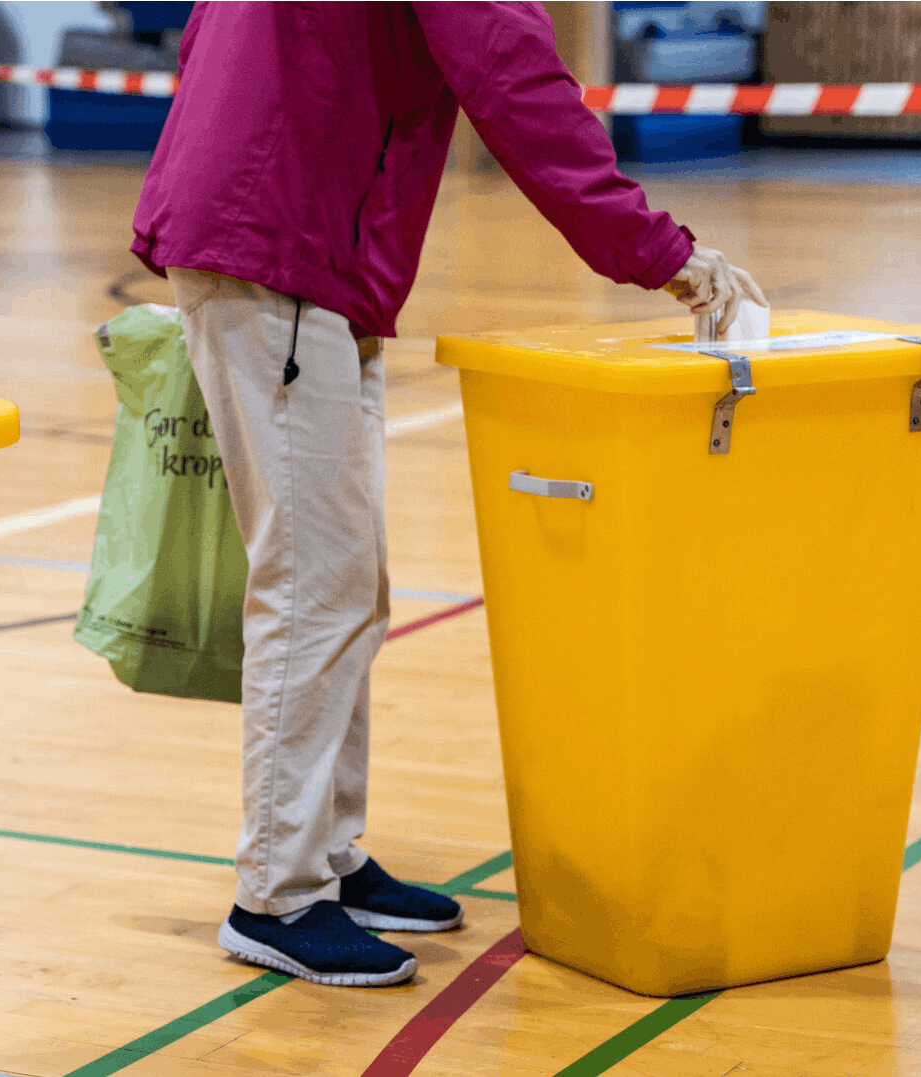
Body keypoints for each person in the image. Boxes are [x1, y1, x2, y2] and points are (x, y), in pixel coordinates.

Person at [128, 2, 766, 987]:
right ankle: (277, 894)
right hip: (280, 240)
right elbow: (510, 75)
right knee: (314, 585)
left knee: (346, 582)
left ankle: (325, 854)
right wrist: (660, 252)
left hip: (299, 238)